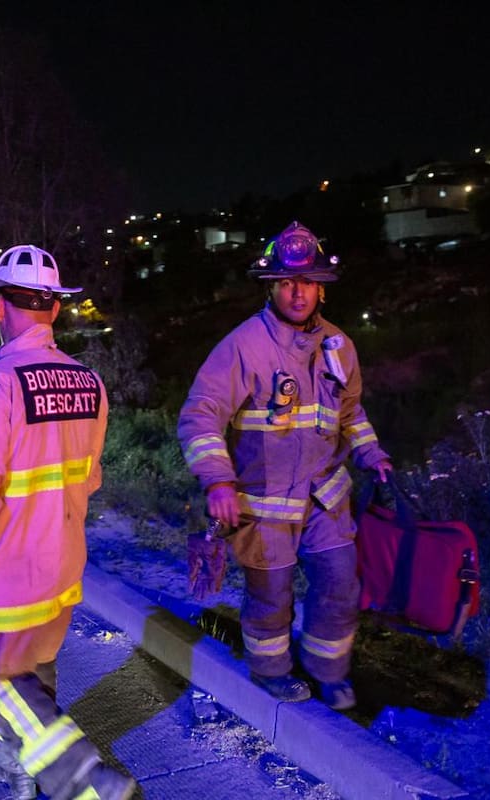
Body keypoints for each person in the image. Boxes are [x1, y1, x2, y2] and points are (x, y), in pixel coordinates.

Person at [0, 245, 135, 800]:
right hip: (60, 566)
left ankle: (81, 776)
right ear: (56, 308)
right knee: (34, 672)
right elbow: (88, 477)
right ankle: (19, 768)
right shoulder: (89, 383)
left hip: (3, 573)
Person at [177, 221, 392, 711]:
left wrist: (373, 455)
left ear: (322, 288)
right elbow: (200, 414)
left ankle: (327, 670)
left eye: (308, 282)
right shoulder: (243, 346)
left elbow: (351, 413)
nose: (298, 293)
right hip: (264, 504)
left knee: (340, 585)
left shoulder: (339, 346)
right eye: (288, 283)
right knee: (271, 596)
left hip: (326, 497)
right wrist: (218, 480)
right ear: (271, 286)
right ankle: (271, 670)